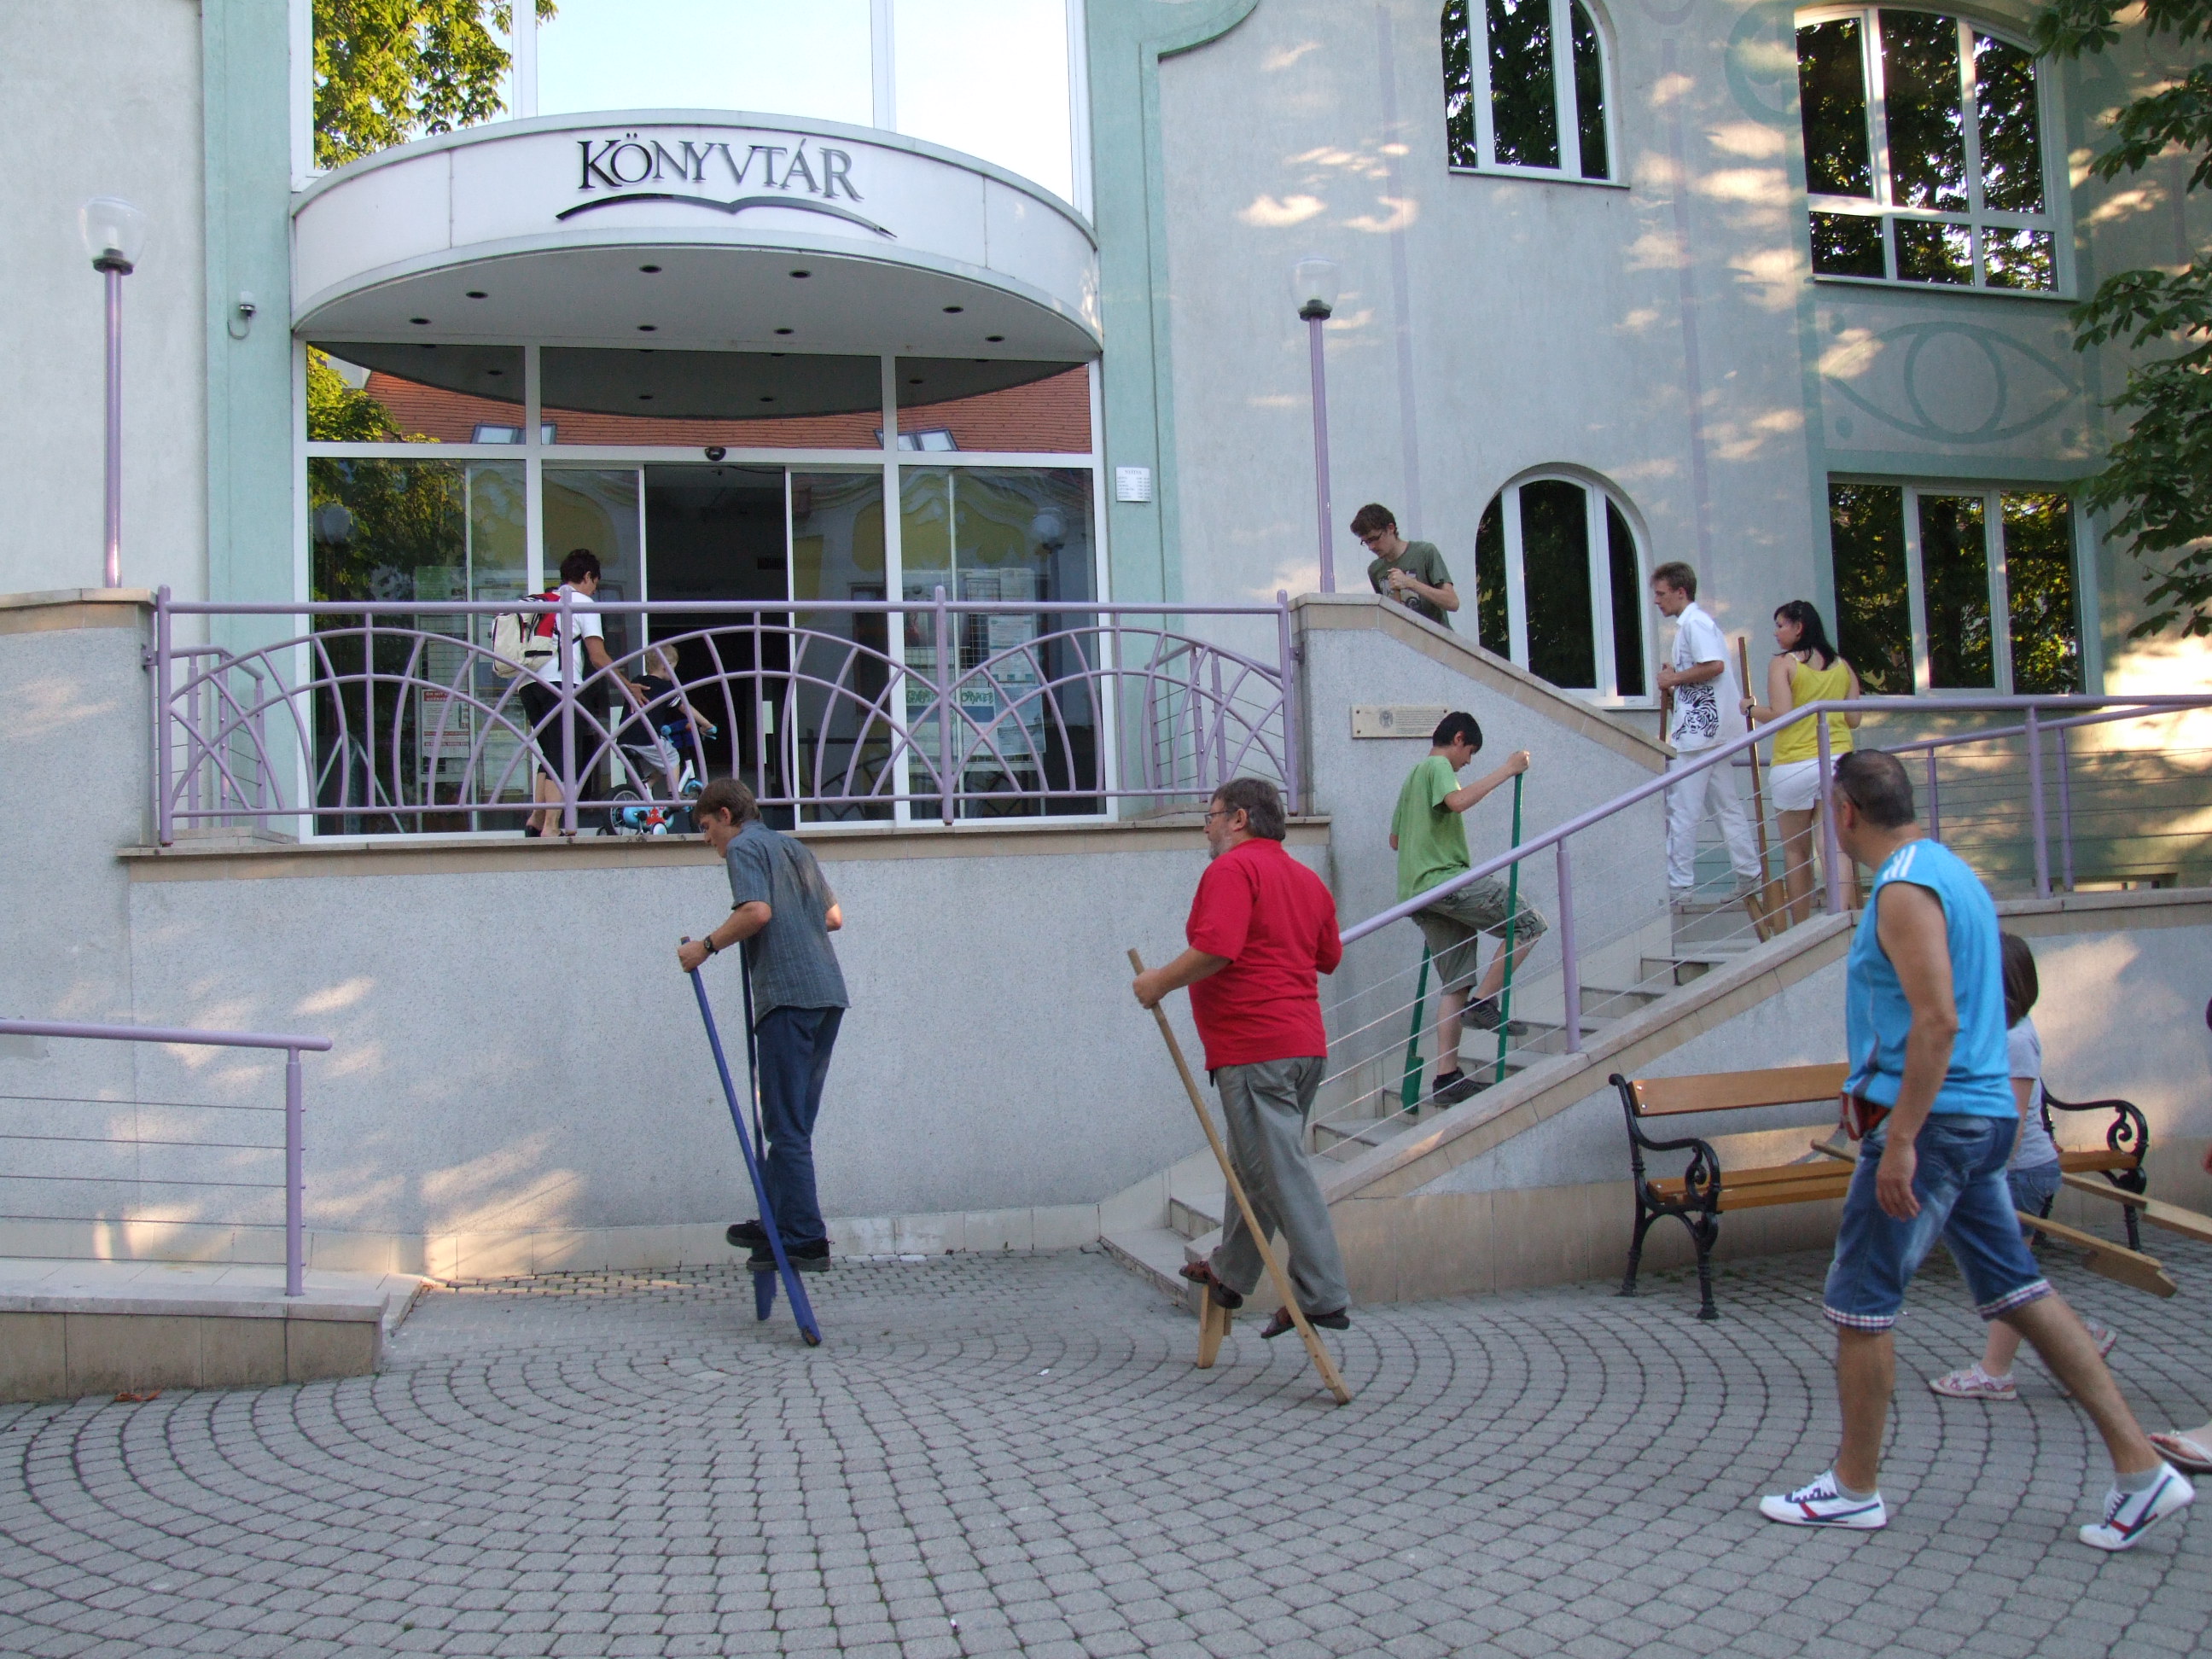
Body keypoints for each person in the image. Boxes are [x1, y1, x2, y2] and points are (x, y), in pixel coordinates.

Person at [1760, 750, 2192, 1551]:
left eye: (1830, 813)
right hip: (1978, 1117)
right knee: (2017, 1289)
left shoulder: (1903, 888)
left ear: (1845, 812)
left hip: (1935, 1122)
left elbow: (1937, 1020)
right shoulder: (1954, 873)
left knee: (1860, 1301)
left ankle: (1853, 1489)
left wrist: (1901, 1141)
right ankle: (2141, 1470)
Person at [1132, 777, 1351, 1339]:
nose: (1205, 829)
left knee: (1278, 1172)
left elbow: (1217, 949)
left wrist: (1158, 982)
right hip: (1302, 1048)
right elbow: (1327, 956)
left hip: (1257, 1048)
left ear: (1239, 819)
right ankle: (1231, 1272)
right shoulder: (1306, 879)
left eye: (1210, 816)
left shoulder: (1232, 870)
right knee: (1255, 1168)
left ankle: (1322, 1292)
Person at [1929, 932, 2117, 1400]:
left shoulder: (2016, 1039)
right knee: (2012, 1271)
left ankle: (1996, 1373)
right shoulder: (1996, 1031)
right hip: (2010, 1169)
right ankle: (2083, 1338)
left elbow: (2008, 1121)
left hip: (2017, 1172)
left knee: (2006, 1275)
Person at [677, 776, 849, 1274]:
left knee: (784, 1125)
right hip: (826, 995)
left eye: (706, 827)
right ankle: (779, 1218)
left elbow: (756, 911)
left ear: (726, 816)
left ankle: (804, 1239)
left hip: (787, 999)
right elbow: (833, 917)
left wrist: (705, 947)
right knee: (794, 1124)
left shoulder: (744, 848)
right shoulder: (792, 848)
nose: (707, 839)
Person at [1388, 713, 1543, 1107]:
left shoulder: (1412, 778)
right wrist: (1508, 769)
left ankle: (1447, 1078)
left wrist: (1428, 842)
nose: (1468, 762)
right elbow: (1456, 802)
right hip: (1444, 881)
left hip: (1419, 894)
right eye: (1470, 752)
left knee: (1456, 982)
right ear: (1458, 739)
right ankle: (1484, 1002)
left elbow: (1396, 840)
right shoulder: (1438, 766)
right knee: (1529, 924)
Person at [1741, 600, 1861, 927]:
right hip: (1837, 762)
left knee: (1796, 851)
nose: (1776, 633)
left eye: (1780, 625)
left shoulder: (1783, 664)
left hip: (1795, 762)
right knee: (1834, 846)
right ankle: (1841, 918)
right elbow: (1853, 719)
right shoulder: (1843, 666)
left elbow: (1783, 715)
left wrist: (1750, 709)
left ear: (1799, 627)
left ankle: (1802, 928)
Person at [1650, 562, 1761, 902]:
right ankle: (1749, 872)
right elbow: (1708, 670)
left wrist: (1673, 678)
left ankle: (1679, 885)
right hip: (1711, 730)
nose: (1657, 600)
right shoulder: (1696, 623)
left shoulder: (1694, 624)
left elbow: (1714, 665)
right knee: (1726, 805)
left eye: (1661, 594)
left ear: (1680, 592)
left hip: (1699, 733)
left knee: (1682, 807)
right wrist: (1678, 677)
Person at [521, 548, 642, 838]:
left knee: (551, 753)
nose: (594, 589)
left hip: (528, 685)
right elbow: (597, 657)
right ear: (587, 576)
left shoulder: (541, 601)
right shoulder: (582, 603)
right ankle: (551, 826)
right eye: (595, 583)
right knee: (565, 755)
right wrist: (627, 685)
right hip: (561, 686)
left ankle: (537, 818)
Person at [1352, 504, 1458, 629]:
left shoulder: (1425, 553)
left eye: (1375, 539)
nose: (1371, 547)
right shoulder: (1375, 570)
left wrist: (1410, 583)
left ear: (1391, 528)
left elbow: (1452, 602)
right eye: (1366, 542)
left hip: (1435, 639)